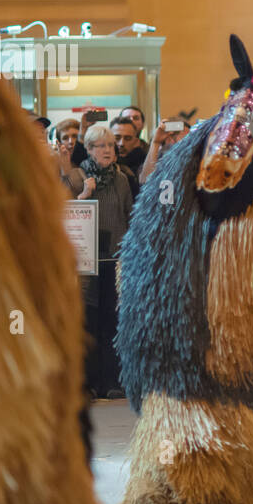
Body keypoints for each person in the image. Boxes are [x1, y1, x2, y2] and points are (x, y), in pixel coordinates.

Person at [60, 124, 136, 399]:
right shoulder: (76, 178)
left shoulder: (122, 179)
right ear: (89, 150)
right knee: (87, 320)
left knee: (112, 319)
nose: (107, 150)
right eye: (100, 146)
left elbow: (130, 217)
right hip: (85, 262)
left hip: (113, 259)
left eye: (110, 146)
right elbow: (62, 217)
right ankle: (88, 383)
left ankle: (112, 381)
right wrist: (83, 196)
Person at [137, 118, 191, 184]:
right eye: (186, 138)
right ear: (169, 139)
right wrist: (155, 143)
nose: (190, 142)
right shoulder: (154, 159)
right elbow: (145, 181)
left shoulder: (191, 160)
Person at [111, 115, 148, 182]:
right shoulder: (100, 163)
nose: (121, 143)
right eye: (117, 138)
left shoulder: (146, 163)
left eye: (128, 138)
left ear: (136, 142)